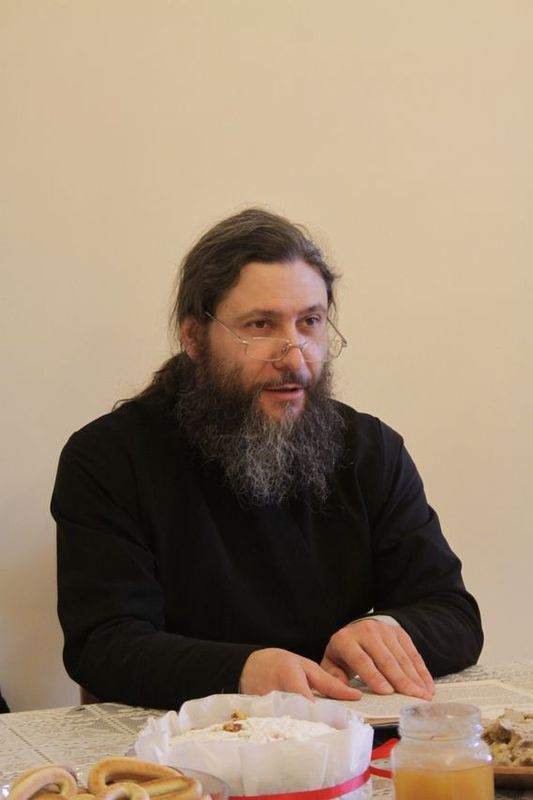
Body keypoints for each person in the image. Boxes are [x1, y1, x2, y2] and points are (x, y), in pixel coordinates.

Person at [52, 208, 483, 710]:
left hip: (339, 734)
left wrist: (386, 630)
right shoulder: (107, 458)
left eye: (310, 323)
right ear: (193, 337)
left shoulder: (371, 450)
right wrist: (242, 670)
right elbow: (103, 644)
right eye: (260, 325)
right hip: (182, 741)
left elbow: (454, 614)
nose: (295, 357)